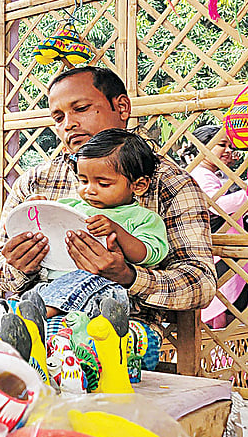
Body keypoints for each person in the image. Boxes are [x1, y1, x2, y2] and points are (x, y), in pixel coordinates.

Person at [0, 66, 215, 318]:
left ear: (122, 108)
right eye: (58, 117)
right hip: (37, 317)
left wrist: (129, 276)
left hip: (122, 328)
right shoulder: (35, 182)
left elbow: (200, 284)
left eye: (81, 109)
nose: (69, 124)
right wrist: (19, 265)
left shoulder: (171, 184)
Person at [37, 129, 169, 324]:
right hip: (55, 283)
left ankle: (39, 313)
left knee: (87, 284)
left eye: (103, 184)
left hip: (106, 291)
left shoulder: (144, 218)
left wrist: (118, 232)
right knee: (38, 289)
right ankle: (22, 309)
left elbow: (149, 254)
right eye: (83, 180)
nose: (89, 190)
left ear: (139, 185)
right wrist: (36, 206)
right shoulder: (71, 207)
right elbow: (44, 225)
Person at [183, 124, 248, 328]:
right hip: (217, 253)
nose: (228, 150)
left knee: (232, 308)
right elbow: (218, 205)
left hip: (231, 253)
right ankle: (219, 358)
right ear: (201, 147)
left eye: (230, 146)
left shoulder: (219, 175)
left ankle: (228, 357)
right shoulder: (200, 174)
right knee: (221, 311)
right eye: (222, 145)